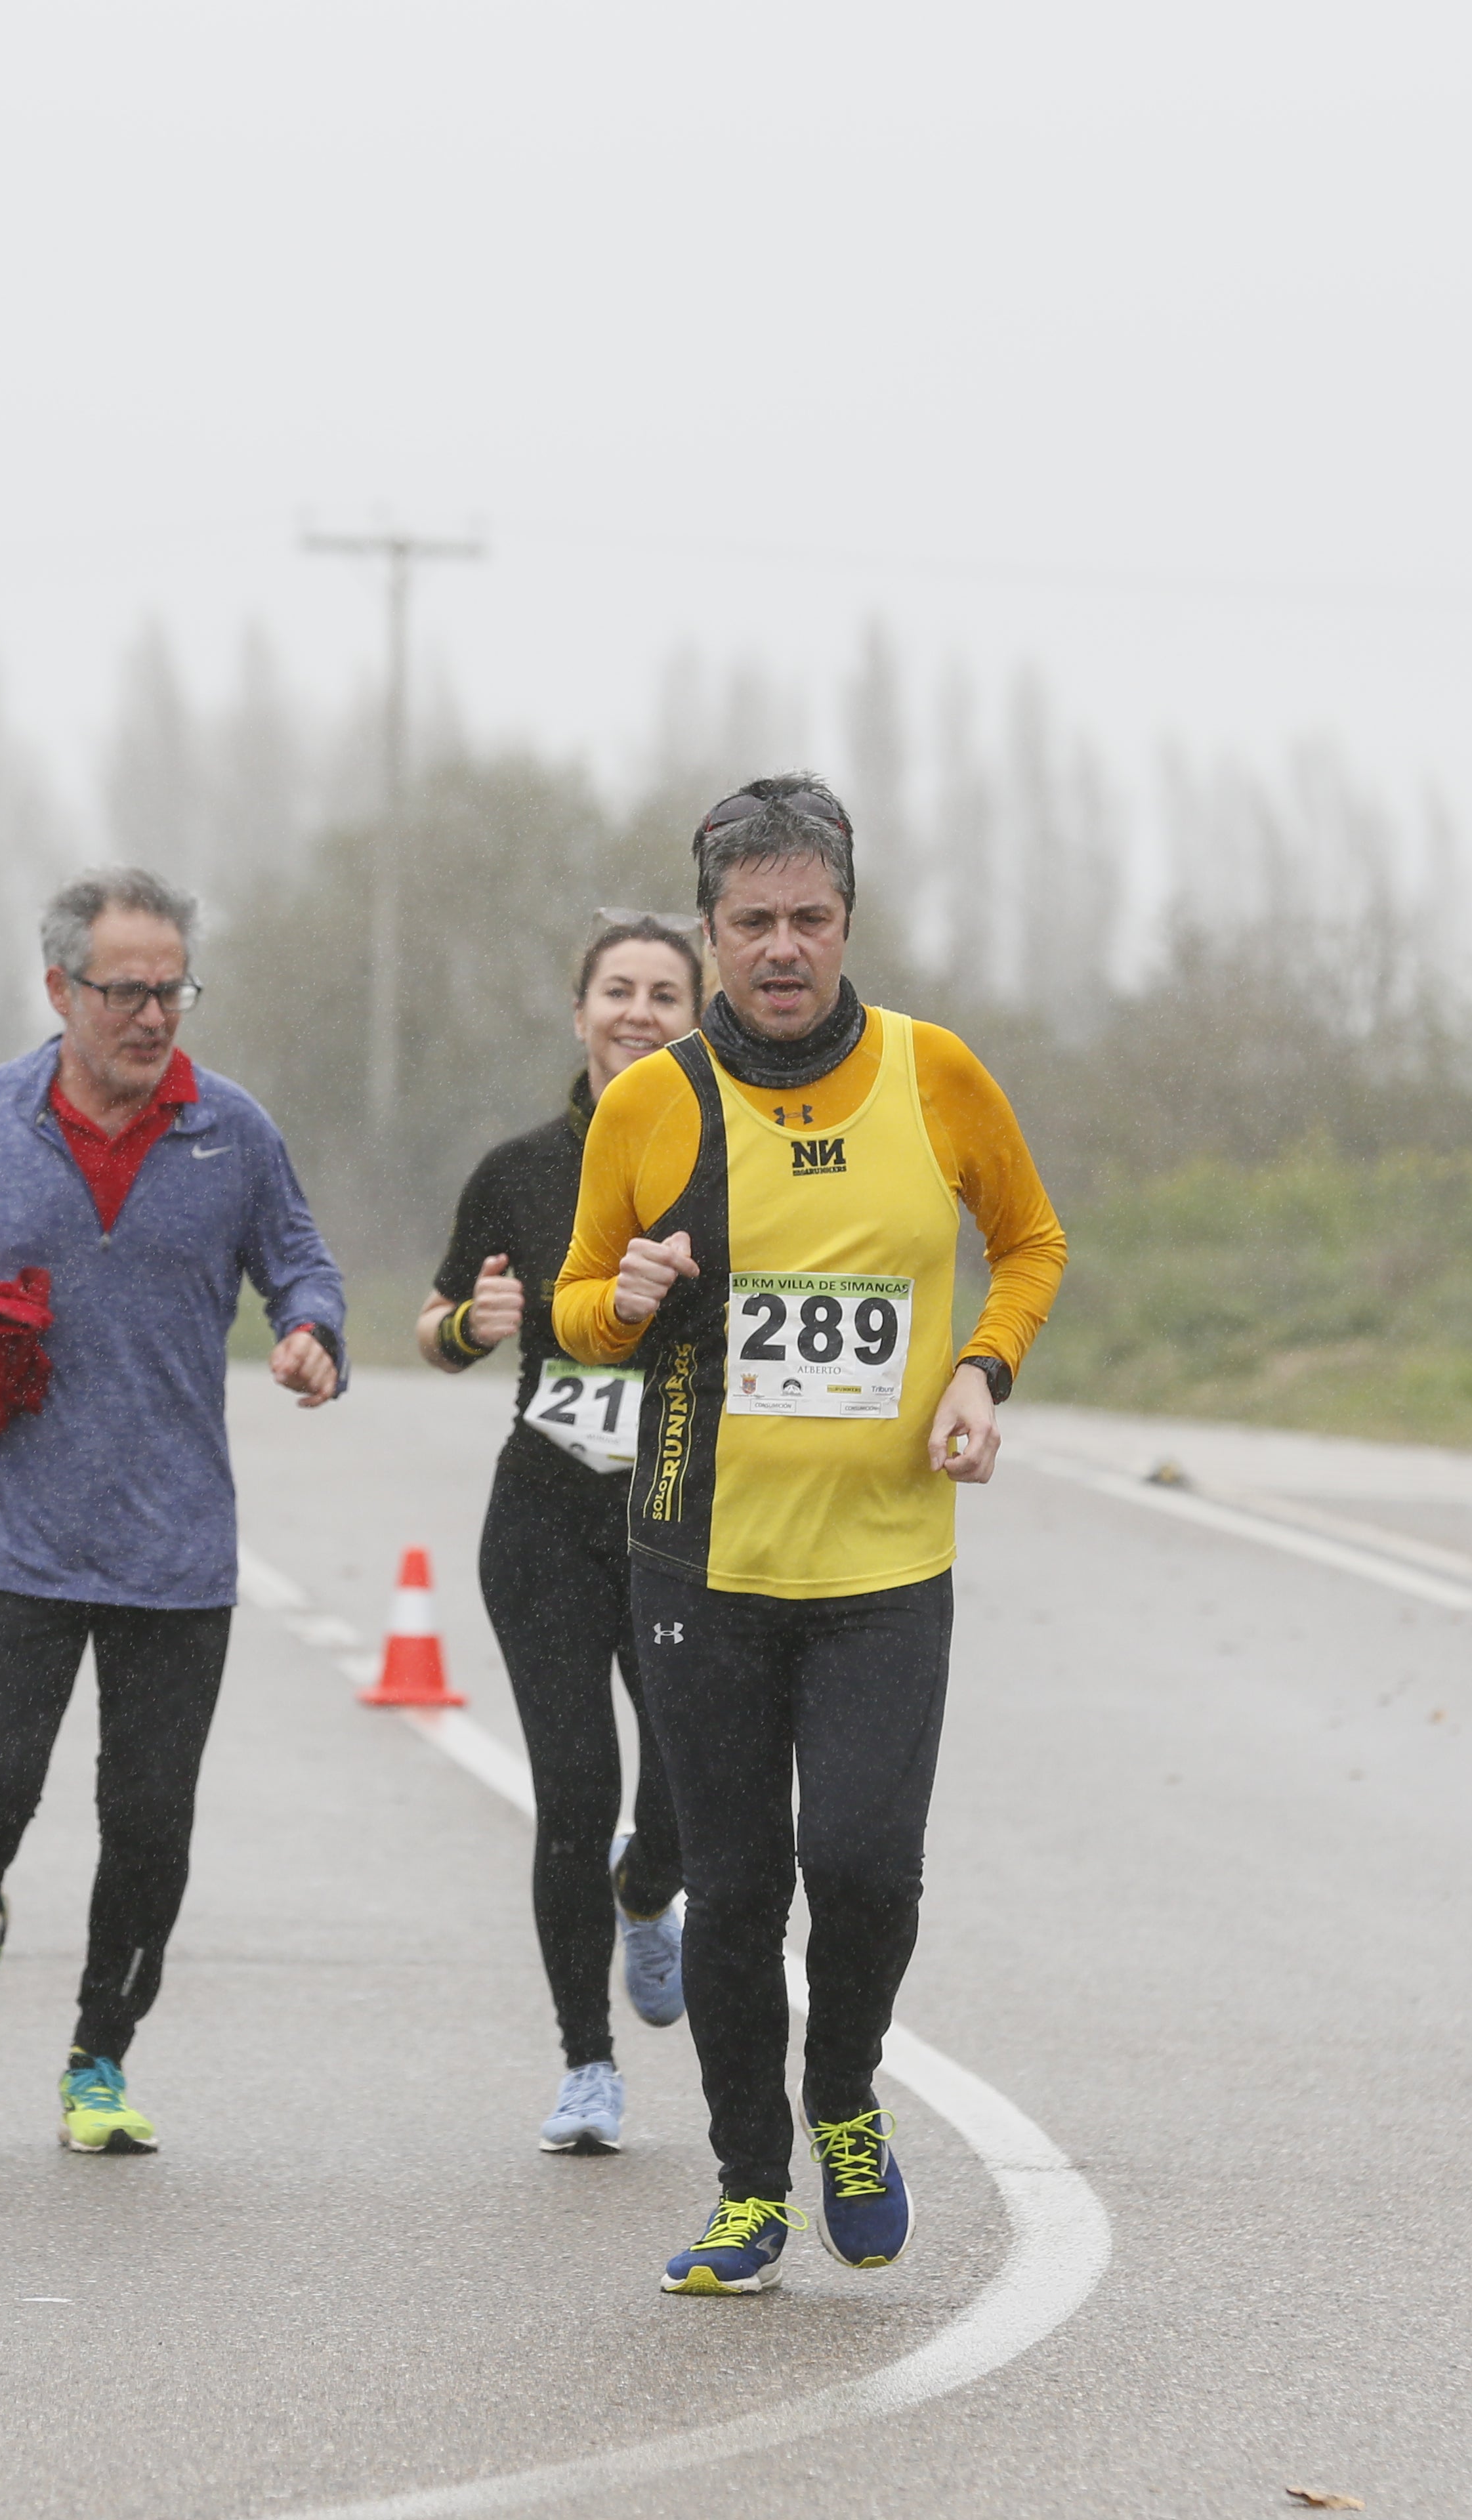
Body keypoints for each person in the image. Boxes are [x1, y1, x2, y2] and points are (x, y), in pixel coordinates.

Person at [552, 775, 1066, 2296]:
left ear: (848, 921)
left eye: (810, 919)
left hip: (883, 1566)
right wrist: (622, 1303)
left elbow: (1028, 1240)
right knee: (733, 1878)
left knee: (862, 1868)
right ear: (707, 934)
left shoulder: (933, 1073)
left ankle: (839, 2092)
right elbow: (579, 1306)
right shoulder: (653, 1101)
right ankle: (743, 2181)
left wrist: (980, 1367)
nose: (782, 947)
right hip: (697, 1558)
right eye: (751, 922)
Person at [0, 868, 347, 2156]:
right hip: (12, 1534)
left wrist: (310, 1330)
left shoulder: (231, 1133)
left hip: (176, 1545)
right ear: (59, 989)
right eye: (125, 989)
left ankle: (99, 2059)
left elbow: (297, 1255)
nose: (153, 1014)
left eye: (171, 987)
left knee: (149, 1823)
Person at [419, 913, 707, 2156]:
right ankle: (587, 2066)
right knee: (575, 1792)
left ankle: (652, 1895)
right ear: (581, 1013)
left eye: (664, 994)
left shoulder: (730, 1165)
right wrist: (472, 1330)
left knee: (692, 1787)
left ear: (700, 1018)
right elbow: (433, 1328)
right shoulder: (520, 1169)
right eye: (618, 991)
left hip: (681, 1524)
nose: (638, 1012)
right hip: (541, 1519)